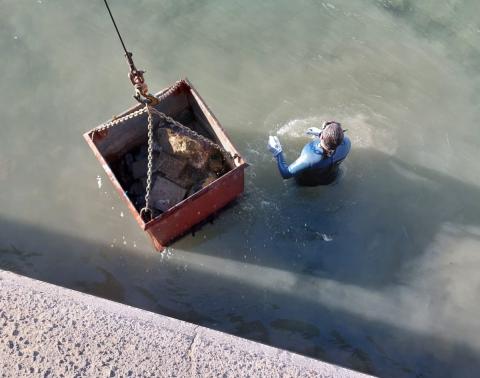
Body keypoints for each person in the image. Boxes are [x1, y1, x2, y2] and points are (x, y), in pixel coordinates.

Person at [268, 121, 351, 186]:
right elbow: (332, 144)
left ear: (322, 136)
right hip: (331, 178)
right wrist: (320, 133)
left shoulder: (311, 156)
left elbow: (286, 174)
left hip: (307, 183)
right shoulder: (347, 143)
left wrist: (277, 152)